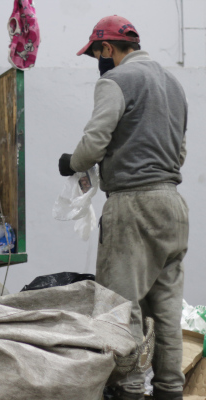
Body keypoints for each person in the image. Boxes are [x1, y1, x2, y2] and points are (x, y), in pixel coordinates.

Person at [58, 16, 188, 400]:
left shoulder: (115, 80)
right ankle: (170, 390)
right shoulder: (174, 85)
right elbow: (180, 150)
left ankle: (129, 391)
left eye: (97, 53)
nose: (98, 61)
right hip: (173, 204)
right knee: (165, 310)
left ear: (108, 48)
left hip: (133, 204)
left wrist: (73, 162)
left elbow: (95, 140)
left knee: (119, 306)